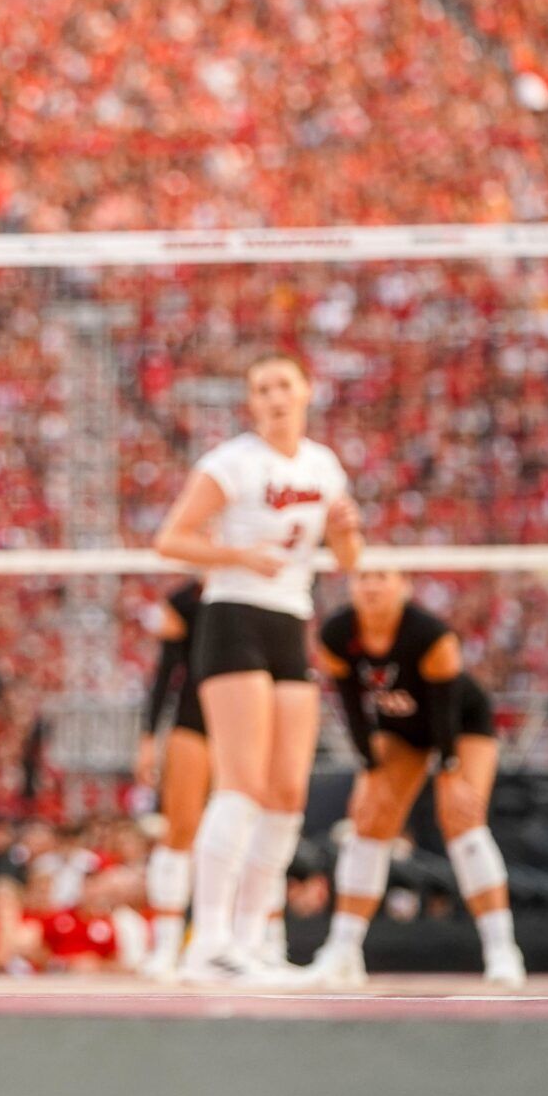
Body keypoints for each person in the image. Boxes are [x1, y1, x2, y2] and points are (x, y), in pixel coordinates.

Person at [154, 353, 361, 985]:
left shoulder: (324, 466)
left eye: (284, 385)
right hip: (233, 615)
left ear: (306, 393)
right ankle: (209, 938)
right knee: (240, 782)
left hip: (288, 619)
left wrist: (348, 532)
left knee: (287, 791)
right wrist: (238, 554)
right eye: (262, 387)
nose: (274, 396)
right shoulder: (232, 463)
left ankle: (253, 936)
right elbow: (171, 539)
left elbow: (348, 556)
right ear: (251, 402)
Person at [305, 571, 526, 988]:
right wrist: (369, 766)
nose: (371, 586)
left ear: (403, 586)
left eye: (383, 578)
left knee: (462, 819)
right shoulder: (337, 634)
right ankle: (343, 949)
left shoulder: (431, 635)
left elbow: (445, 711)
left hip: (459, 726)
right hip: (400, 729)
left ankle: (501, 948)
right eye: (365, 578)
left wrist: (450, 770)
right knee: (369, 818)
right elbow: (352, 707)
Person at [135, 579, 207, 981]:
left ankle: (259, 938)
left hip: (248, 717)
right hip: (193, 717)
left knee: (247, 828)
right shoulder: (185, 600)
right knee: (180, 828)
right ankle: (167, 944)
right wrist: (149, 737)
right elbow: (167, 670)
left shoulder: (267, 583)